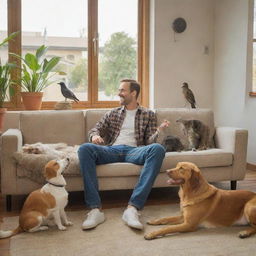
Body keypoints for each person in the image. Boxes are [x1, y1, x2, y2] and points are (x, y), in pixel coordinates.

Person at [78, 79, 170, 230]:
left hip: (135, 151)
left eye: (122, 90)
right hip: (112, 150)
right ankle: (95, 210)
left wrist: (159, 131)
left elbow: (149, 141)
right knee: (84, 148)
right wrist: (94, 136)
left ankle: (133, 208)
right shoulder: (113, 113)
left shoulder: (148, 114)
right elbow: (96, 129)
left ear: (133, 93)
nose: (118, 93)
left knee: (158, 149)